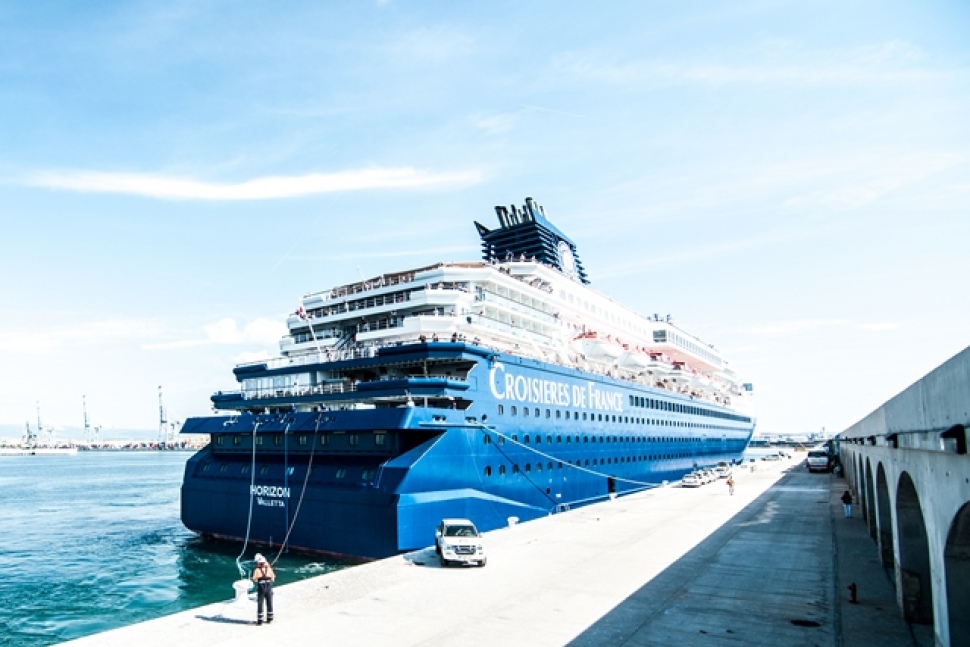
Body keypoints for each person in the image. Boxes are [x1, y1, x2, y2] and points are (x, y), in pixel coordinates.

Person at [252, 553, 276, 625]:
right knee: (269, 602)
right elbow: (273, 578)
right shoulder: (269, 569)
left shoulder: (257, 570)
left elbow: (255, 579)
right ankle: (270, 618)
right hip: (269, 586)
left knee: (260, 603)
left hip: (261, 587)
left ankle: (260, 621)